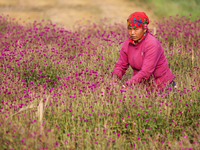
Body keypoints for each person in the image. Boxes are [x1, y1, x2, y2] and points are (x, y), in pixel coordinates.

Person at [112, 12, 175, 91]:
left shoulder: (152, 44)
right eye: (130, 29)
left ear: (144, 29)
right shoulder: (127, 44)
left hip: (162, 87)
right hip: (142, 88)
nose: (132, 33)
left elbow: (146, 72)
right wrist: (115, 78)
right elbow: (121, 65)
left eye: (136, 29)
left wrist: (126, 85)